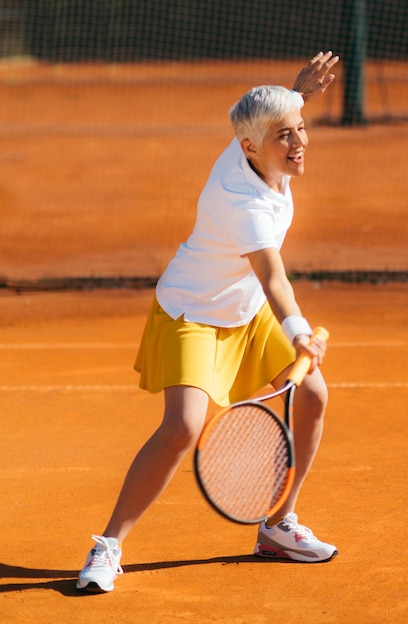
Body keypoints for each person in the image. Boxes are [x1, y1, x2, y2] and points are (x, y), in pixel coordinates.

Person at [77, 51, 340, 593]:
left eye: (300, 130)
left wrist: (297, 93)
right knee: (183, 429)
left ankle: (277, 524)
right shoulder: (242, 203)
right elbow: (274, 281)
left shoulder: (252, 146)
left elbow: (272, 117)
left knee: (312, 392)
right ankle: (108, 544)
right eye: (283, 137)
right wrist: (300, 334)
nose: (297, 143)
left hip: (242, 308)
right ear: (249, 148)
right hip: (193, 312)